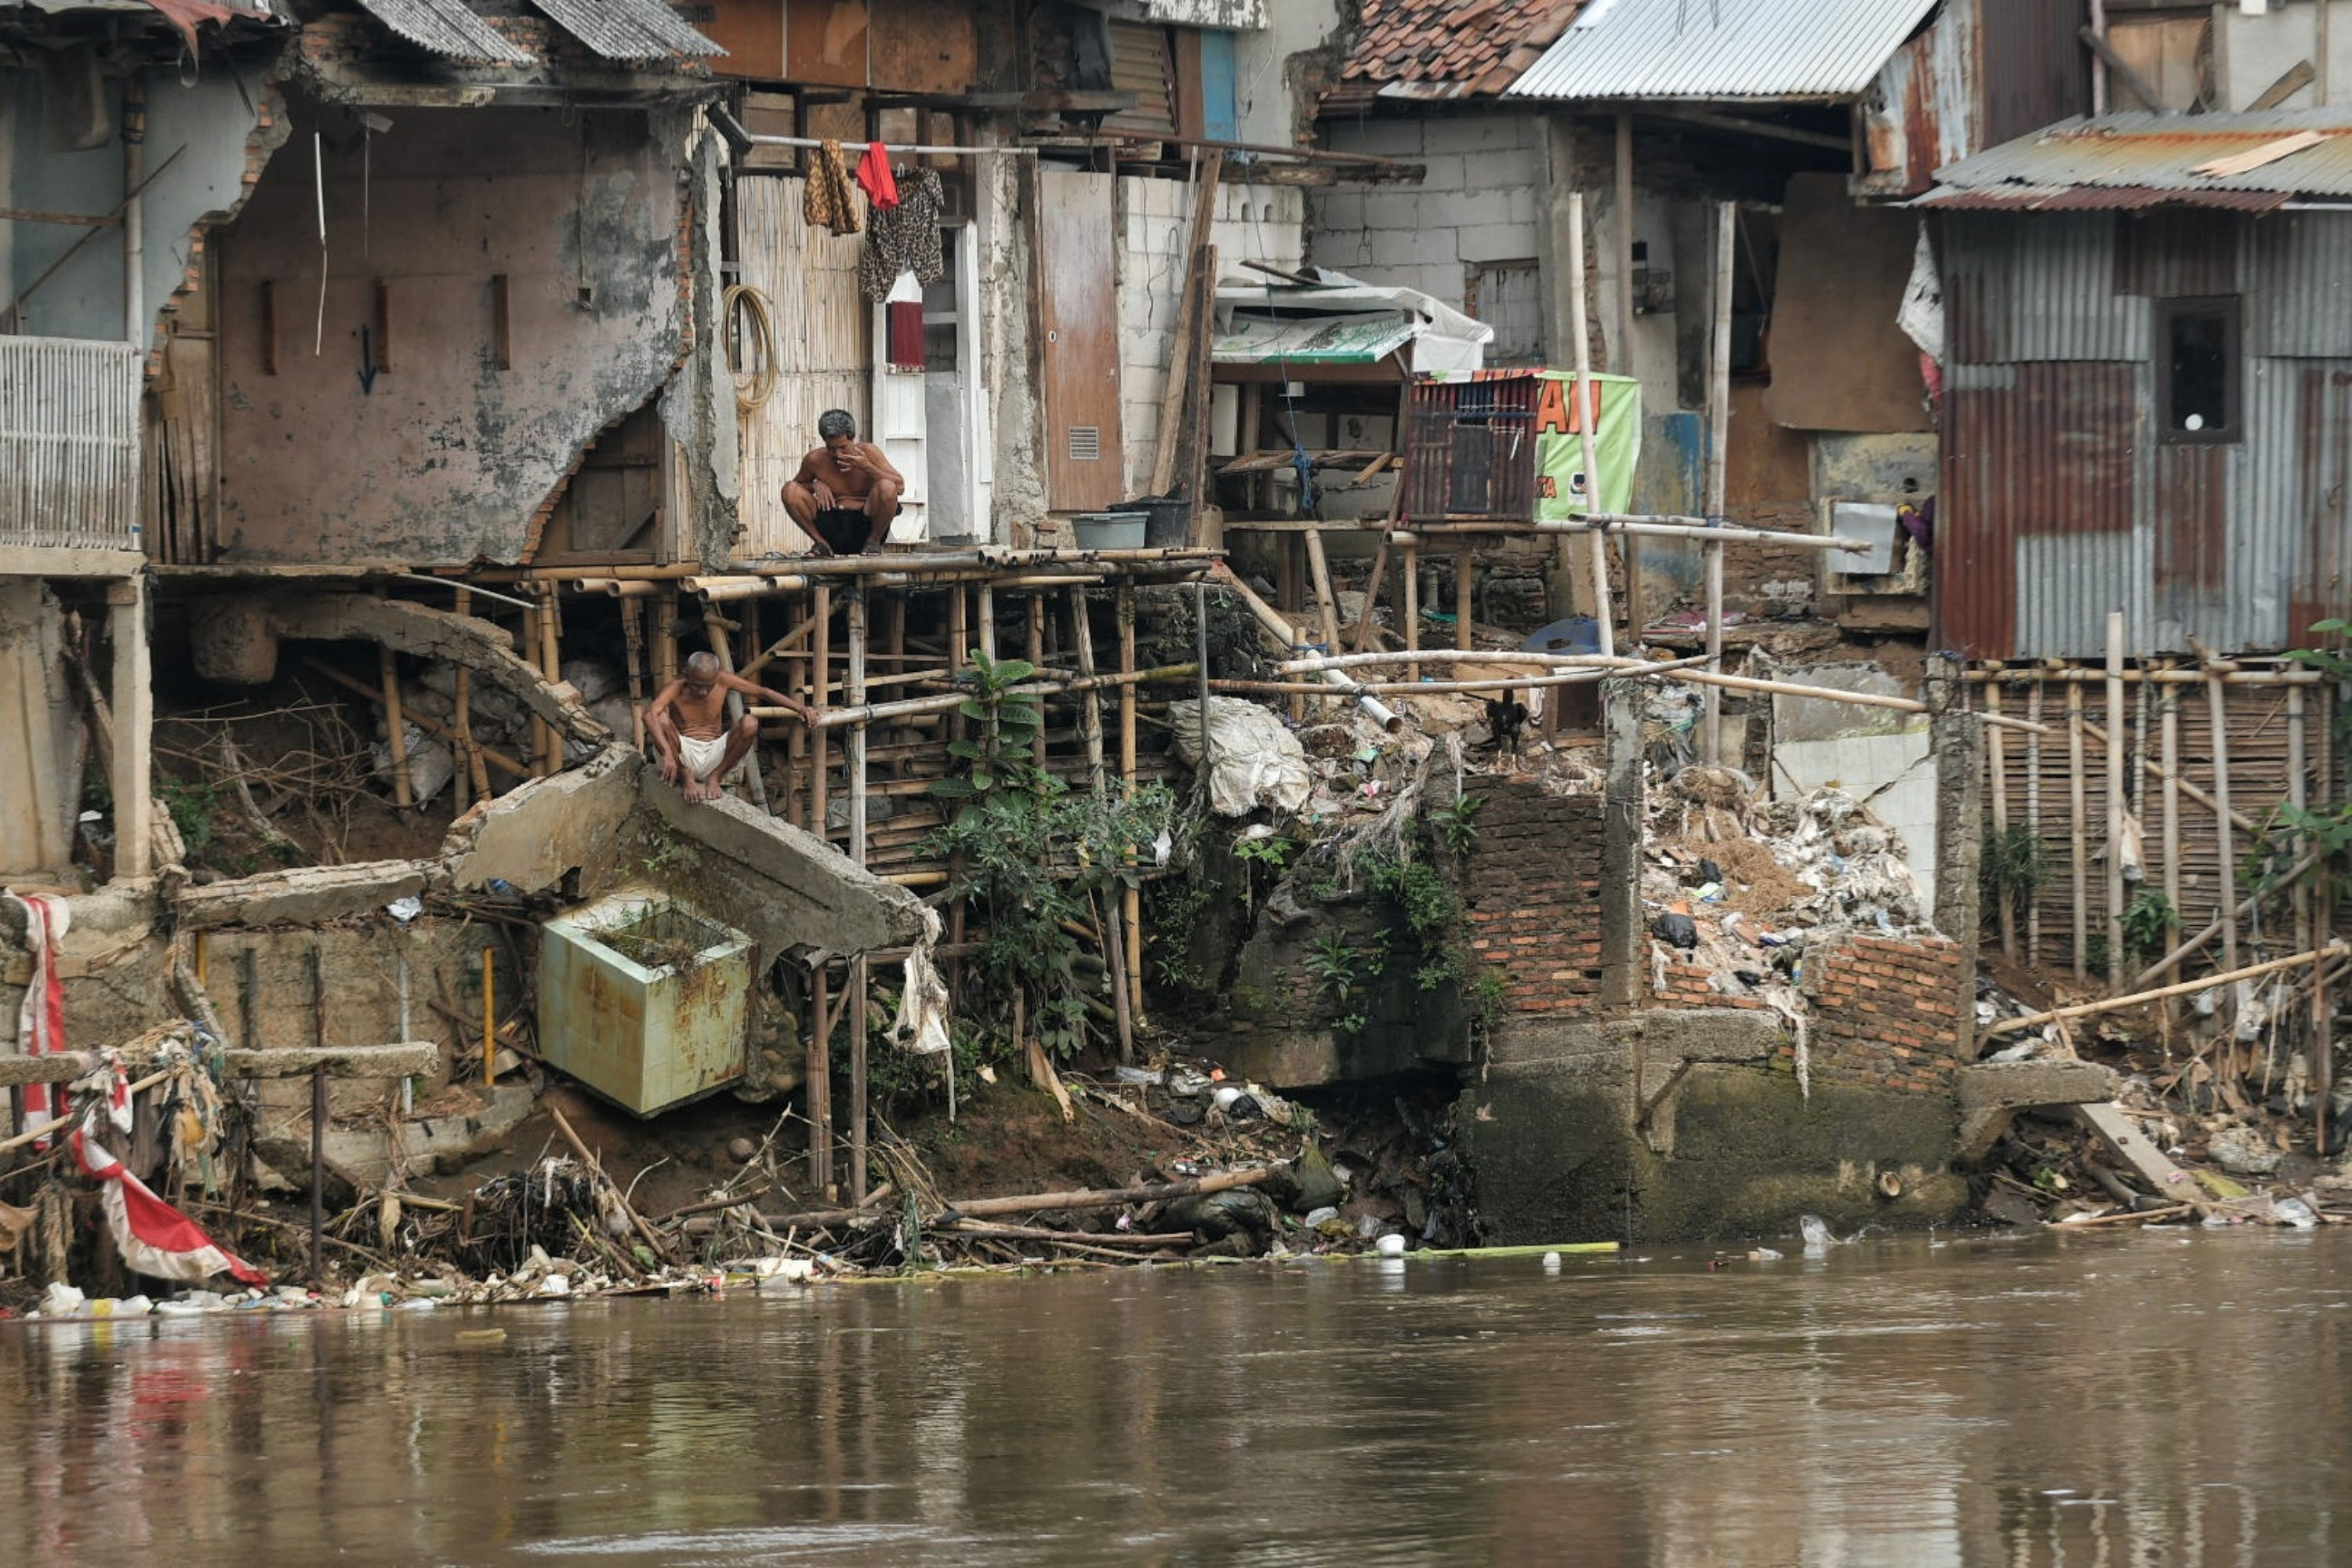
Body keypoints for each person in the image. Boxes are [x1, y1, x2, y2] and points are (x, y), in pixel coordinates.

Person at [645, 652, 814, 803]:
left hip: (714, 753)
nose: (703, 692)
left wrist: (801, 709)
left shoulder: (723, 680)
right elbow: (649, 714)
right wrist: (666, 753)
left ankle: (715, 777)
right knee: (661, 717)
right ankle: (686, 778)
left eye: (709, 686)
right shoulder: (674, 688)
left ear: (716, 677)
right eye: (697, 685)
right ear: (686, 675)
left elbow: (763, 692)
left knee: (750, 723)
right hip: (682, 754)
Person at [782, 409, 903, 556]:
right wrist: (814, 486)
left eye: (843, 447)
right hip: (830, 524)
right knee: (789, 490)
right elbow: (795, 488)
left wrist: (867, 466)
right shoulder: (815, 459)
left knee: (887, 486)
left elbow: (899, 487)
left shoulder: (869, 452)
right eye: (831, 449)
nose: (838, 454)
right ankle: (822, 544)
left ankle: (873, 543)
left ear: (852, 439)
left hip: (865, 526)